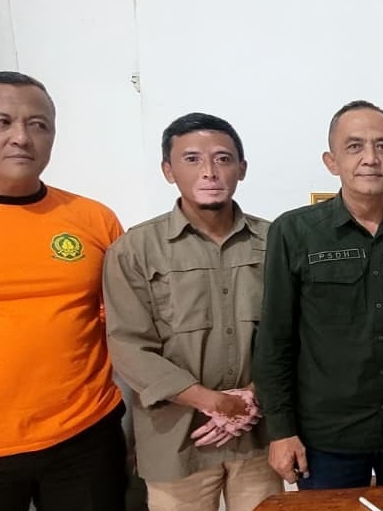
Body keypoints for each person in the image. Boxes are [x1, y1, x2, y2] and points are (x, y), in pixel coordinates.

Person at [0, 71, 127, 510]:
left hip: (84, 436)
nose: (21, 137)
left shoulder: (93, 219)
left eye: (38, 125)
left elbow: (121, 321)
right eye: (1, 122)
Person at [253, 100, 383, 489]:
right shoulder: (294, 232)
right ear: (331, 161)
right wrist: (281, 430)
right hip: (327, 436)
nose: (371, 158)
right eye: (355, 146)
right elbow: (275, 339)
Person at [104, 113, 281, 510]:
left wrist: (254, 397)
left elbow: (294, 333)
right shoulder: (134, 249)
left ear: (242, 168)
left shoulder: (275, 241)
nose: (209, 172)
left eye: (222, 158)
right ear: (168, 171)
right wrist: (212, 402)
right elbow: (129, 346)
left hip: (258, 433)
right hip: (176, 439)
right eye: (191, 159)